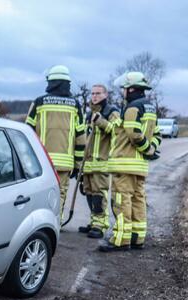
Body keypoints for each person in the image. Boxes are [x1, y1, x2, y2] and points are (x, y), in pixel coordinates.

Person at [99, 72, 161, 252]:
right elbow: (157, 134)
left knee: (121, 201)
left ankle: (121, 240)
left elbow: (133, 133)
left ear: (132, 89)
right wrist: (150, 149)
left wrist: (147, 149)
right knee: (138, 200)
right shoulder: (150, 107)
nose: (123, 92)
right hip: (140, 166)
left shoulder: (132, 107)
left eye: (125, 88)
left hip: (125, 164)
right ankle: (137, 238)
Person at [25, 65, 86, 213]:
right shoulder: (75, 105)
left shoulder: (39, 102)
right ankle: (56, 224)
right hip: (65, 163)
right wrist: (78, 165)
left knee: (39, 194)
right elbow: (81, 138)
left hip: (41, 162)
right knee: (60, 194)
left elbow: (27, 131)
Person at [79, 84, 120, 238]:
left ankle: (101, 225)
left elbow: (116, 132)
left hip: (102, 161)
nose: (94, 96)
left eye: (98, 93)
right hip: (88, 162)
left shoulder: (112, 111)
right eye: (93, 93)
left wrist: (101, 122)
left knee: (99, 194)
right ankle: (93, 222)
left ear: (105, 95)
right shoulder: (90, 114)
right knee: (89, 193)